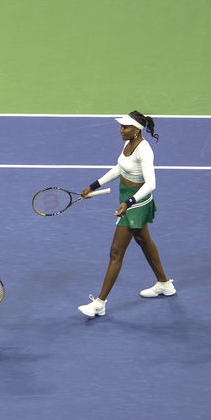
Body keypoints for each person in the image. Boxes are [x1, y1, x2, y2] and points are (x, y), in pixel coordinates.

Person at [75, 112, 172, 319]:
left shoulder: (144, 150)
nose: (121, 130)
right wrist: (93, 186)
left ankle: (99, 303)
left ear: (137, 129)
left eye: (125, 127)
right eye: (121, 126)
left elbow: (151, 183)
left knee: (116, 253)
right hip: (127, 196)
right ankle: (164, 284)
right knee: (144, 241)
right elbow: (120, 169)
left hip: (137, 202)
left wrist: (129, 203)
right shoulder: (128, 143)